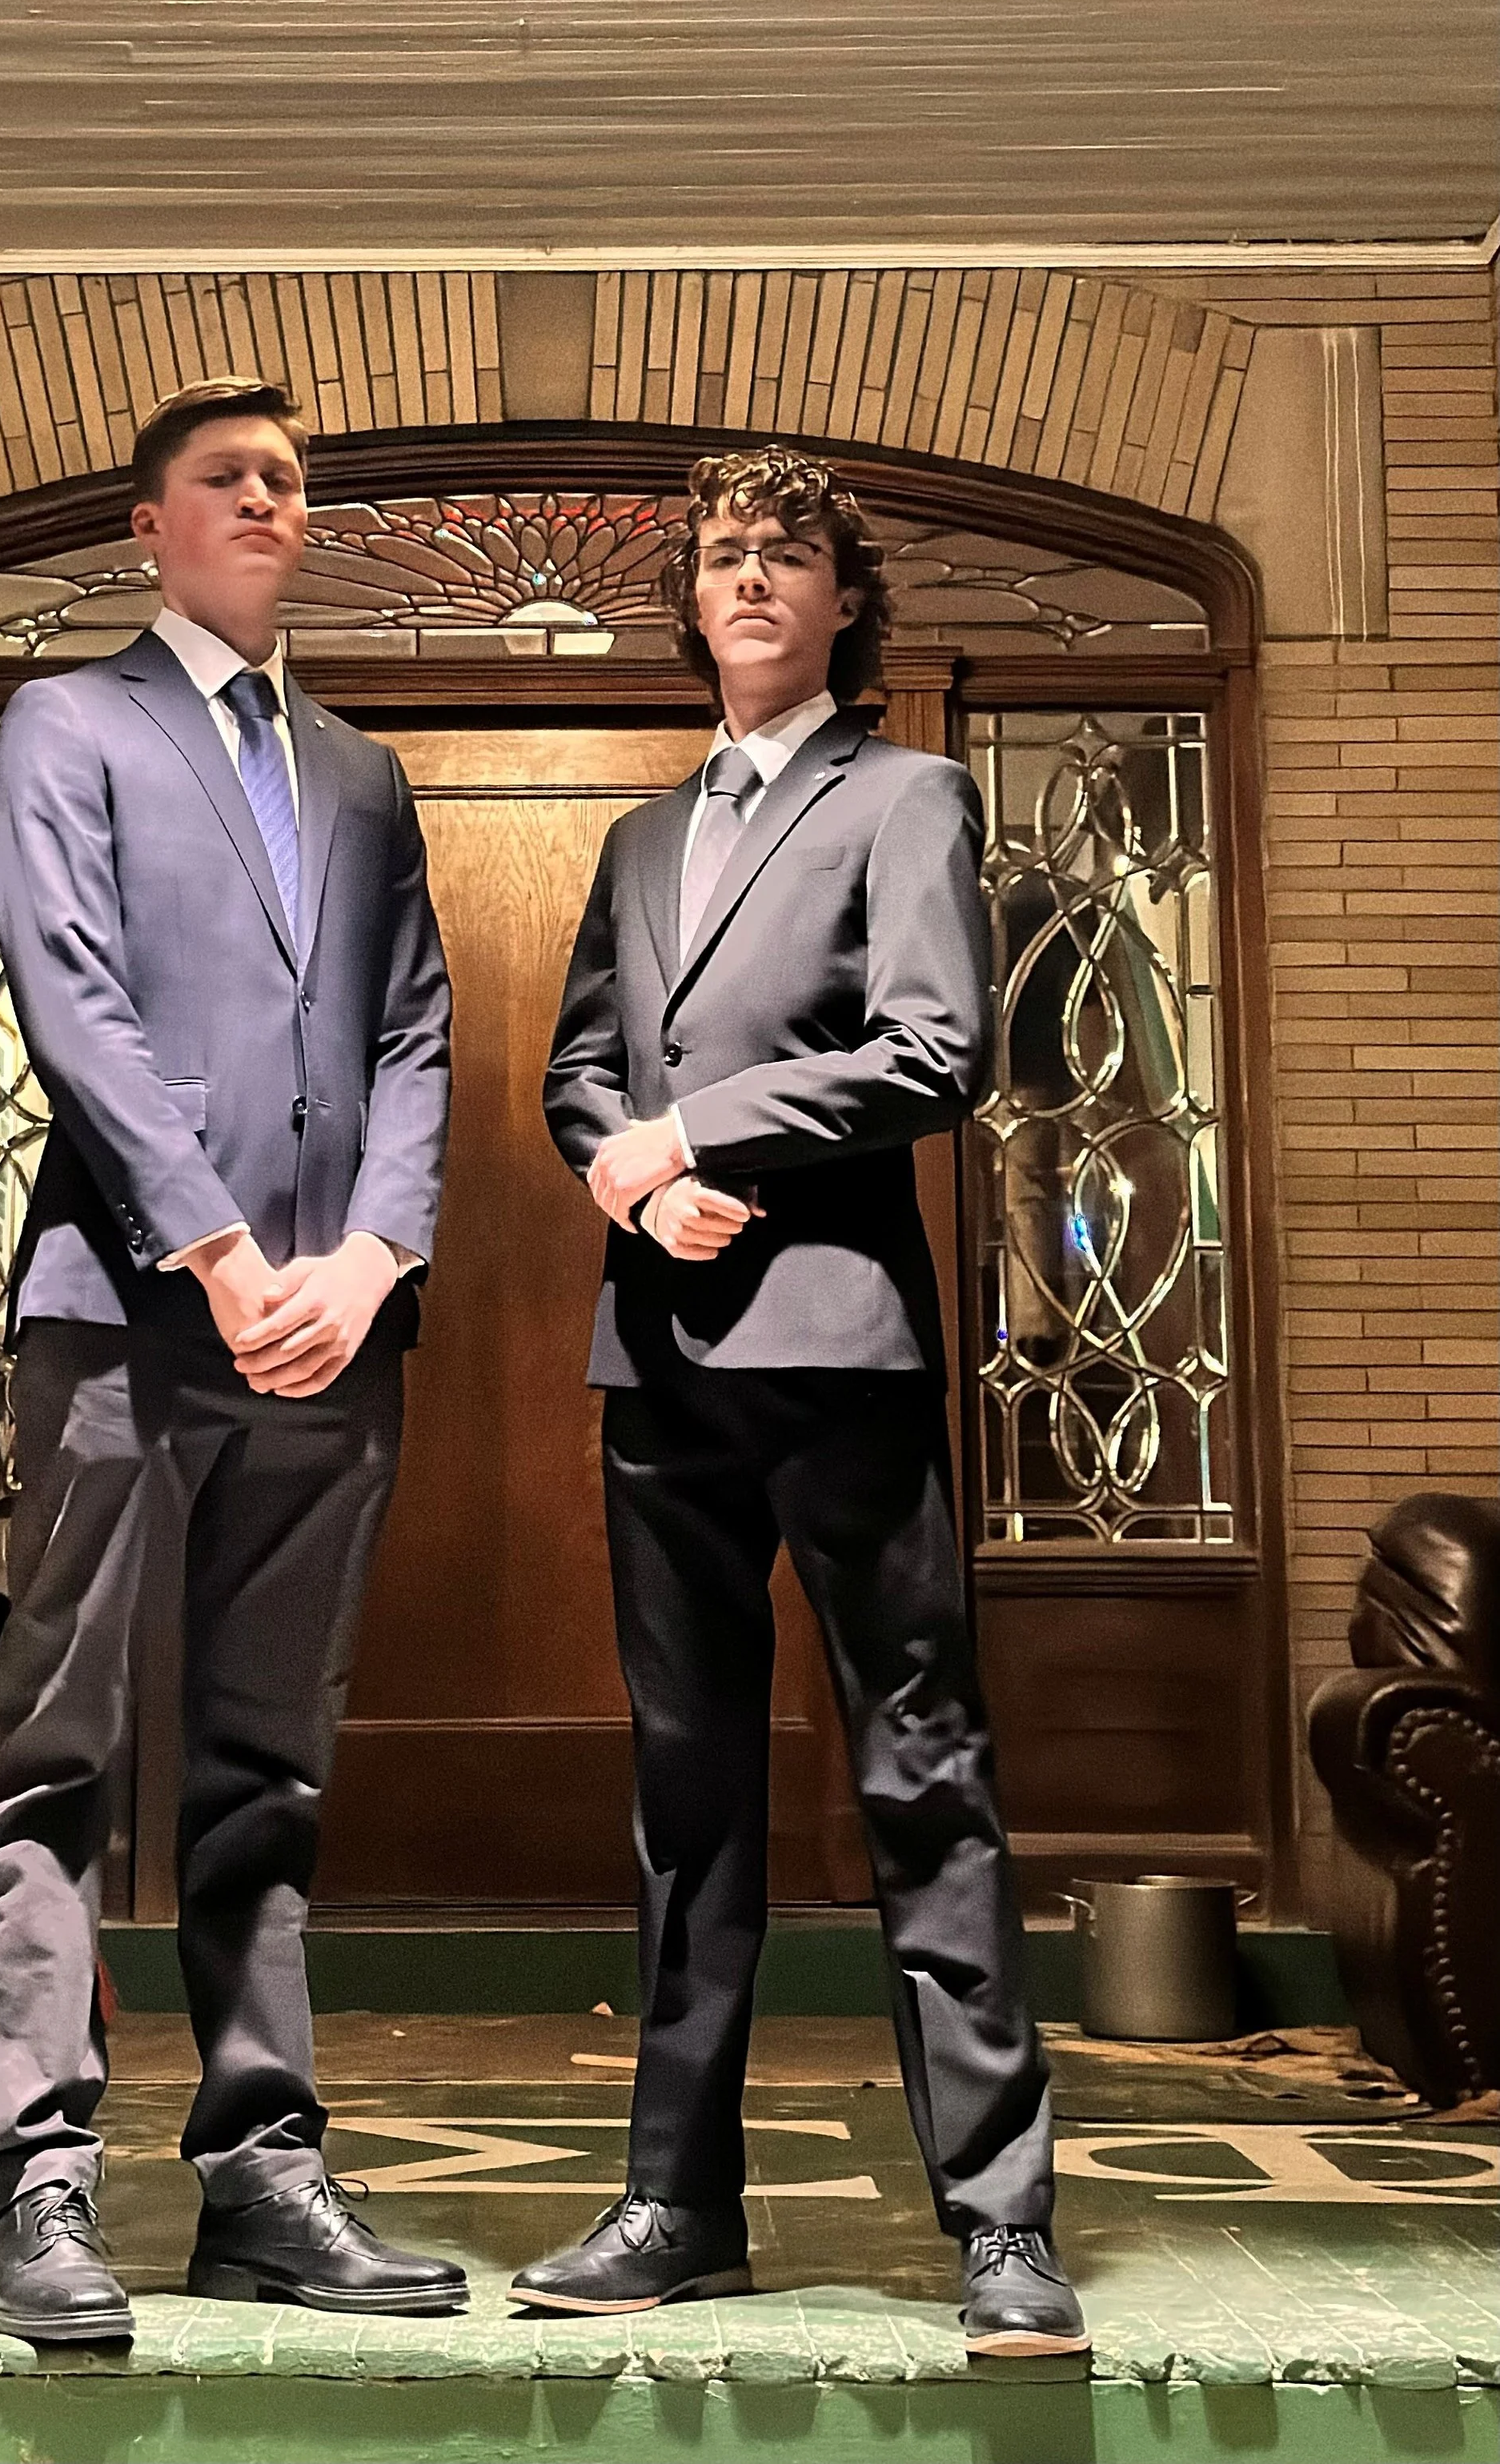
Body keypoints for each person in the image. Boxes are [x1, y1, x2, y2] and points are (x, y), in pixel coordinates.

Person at [527, 445, 1086, 2356]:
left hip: (839, 1350)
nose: (751, 577)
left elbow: (937, 1049)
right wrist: (624, 1167)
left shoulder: (908, 795)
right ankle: (676, 2202)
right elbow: (577, 1064)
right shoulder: (636, 838)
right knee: (687, 1803)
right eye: (723, 555)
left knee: (920, 1776)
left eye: (789, 555)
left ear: (847, 602)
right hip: (657, 1361)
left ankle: (1000, 2226)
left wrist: (710, 1130)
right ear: (690, 599)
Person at [0, 377, 464, 2342]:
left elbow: (416, 1030)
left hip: (328, 1337)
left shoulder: (355, 773)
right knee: (57, 1751)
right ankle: (39, 2181)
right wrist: (224, 1245)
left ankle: (262, 2172)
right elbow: (66, 988)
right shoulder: (68, 723)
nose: (268, 500)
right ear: (148, 525)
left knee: (268, 1760)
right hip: (121, 1308)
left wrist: (369, 1255)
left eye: (288, 482)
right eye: (226, 478)